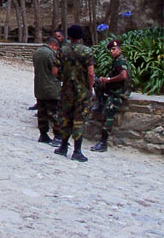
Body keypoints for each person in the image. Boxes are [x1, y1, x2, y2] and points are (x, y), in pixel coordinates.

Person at [52, 24, 95, 162]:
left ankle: (63, 146)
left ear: (69, 36)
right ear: (81, 36)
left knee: (65, 117)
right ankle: (77, 151)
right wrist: (90, 87)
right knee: (80, 119)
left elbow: (54, 71)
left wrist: (63, 80)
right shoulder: (87, 52)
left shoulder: (62, 51)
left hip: (66, 90)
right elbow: (91, 73)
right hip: (82, 91)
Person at [90, 39, 131, 152]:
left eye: (114, 49)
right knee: (97, 83)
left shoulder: (120, 61)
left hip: (119, 92)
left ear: (119, 49)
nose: (111, 51)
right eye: (110, 50)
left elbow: (123, 76)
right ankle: (101, 102)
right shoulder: (118, 60)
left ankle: (103, 143)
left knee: (107, 114)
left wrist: (108, 80)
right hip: (114, 88)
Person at [33, 37, 61, 144]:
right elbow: (56, 69)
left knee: (42, 112)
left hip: (39, 87)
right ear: (54, 46)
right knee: (53, 112)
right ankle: (58, 136)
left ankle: (43, 134)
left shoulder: (37, 52)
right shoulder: (51, 54)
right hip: (51, 87)